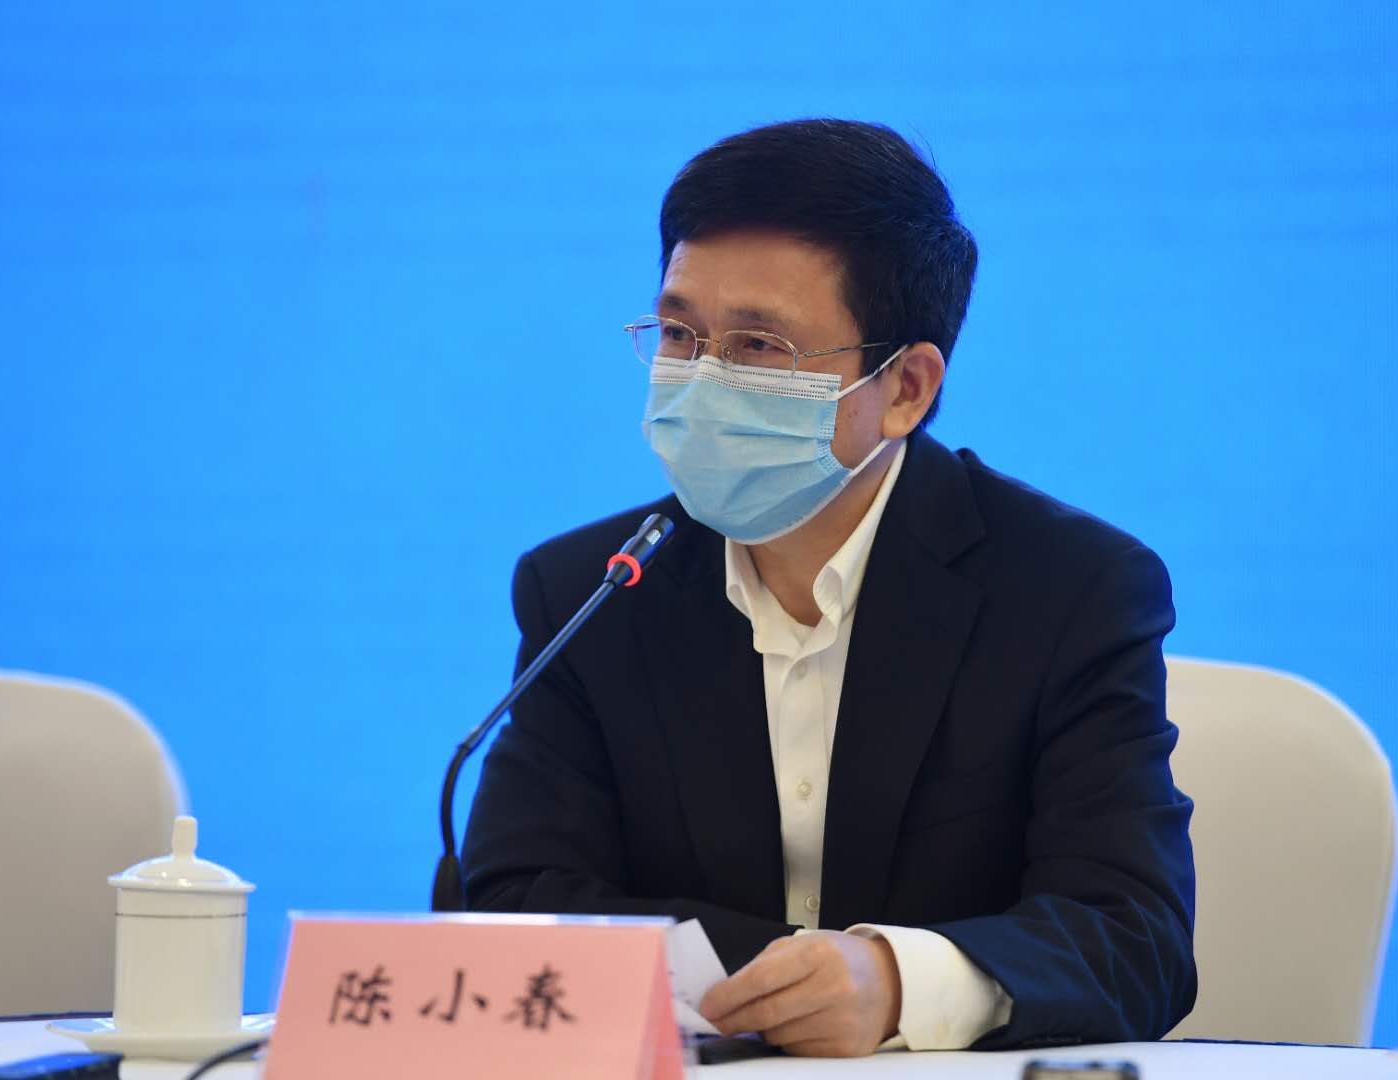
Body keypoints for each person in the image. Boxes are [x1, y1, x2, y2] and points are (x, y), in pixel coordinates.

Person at [452, 118, 1196, 1056]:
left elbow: (1134, 939)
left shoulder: (1069, 590)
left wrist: (897, 982)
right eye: (680, 334)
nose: (702, 381)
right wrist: (791, 979)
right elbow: (519, 902)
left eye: (760, 345)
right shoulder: (592, 590)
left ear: (906, 388)